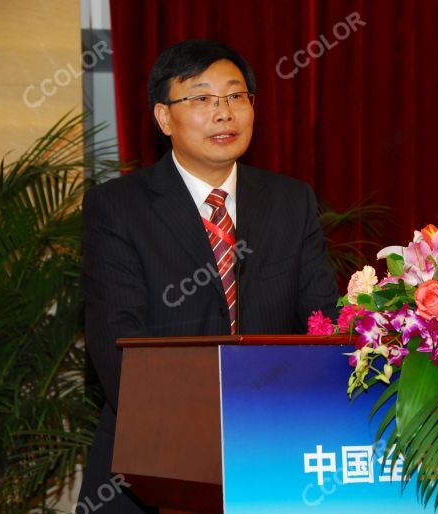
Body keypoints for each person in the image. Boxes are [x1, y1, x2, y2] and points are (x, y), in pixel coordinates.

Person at [77, 39, 339, 513]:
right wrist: (206, 439)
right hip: (150, 465)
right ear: (163, 118)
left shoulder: (290, 202)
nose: (224, 113)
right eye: (201, 98)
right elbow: (118, 346)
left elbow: (322, 324)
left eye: (236, 97)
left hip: (277, 452)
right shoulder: (117, 208)